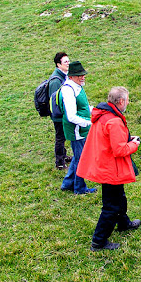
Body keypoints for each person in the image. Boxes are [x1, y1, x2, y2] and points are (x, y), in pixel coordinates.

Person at [77, 87, 141, 251]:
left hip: (105, 164)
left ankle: (123, 222)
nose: (128, 102)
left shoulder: (104, 115)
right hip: (111, 168)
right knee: (111, 206)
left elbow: (110, 141)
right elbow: (119, 150)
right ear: (121, 102)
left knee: (120, 196)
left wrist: (127, 139)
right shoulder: (114, 121)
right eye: (127, 100)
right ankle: (99, 241)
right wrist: (134, 144)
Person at [59, 61, 97, 195]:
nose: (83, 77)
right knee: (82, 159)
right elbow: (71, 116)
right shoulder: (68, 90)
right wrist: (89, 122)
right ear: (71, 76)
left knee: (77, 157)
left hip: (81, 129)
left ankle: (68, 184)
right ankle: (80, 188)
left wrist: (95, 110)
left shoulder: (77, 86)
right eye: (79, 75)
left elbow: (83, 107)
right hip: (76, 131)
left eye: (83, 74)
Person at [49, 52, 71, 170]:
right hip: (59, 115)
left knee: (62, 136)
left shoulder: (63, 75)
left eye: (68, 61)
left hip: (62, 113)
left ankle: (64, 155)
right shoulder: (56, 80)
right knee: (60, 138)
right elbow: (55, 100)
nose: (68, 63)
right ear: (58, 65)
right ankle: (60, 162)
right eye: (65, 62)